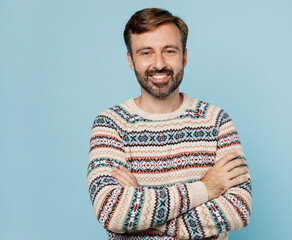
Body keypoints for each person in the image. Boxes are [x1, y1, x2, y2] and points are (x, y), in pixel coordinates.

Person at [87, 8, 251, 240]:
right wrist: (205, 188)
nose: (159, 64)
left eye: (169, 51)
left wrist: (145, 215)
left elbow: (238, 209)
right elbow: (112, 212)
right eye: (146, 53)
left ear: (184, 57)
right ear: (131, 60)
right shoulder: (111, 124)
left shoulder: (216, 120)